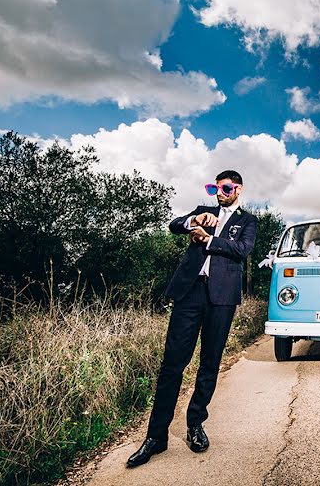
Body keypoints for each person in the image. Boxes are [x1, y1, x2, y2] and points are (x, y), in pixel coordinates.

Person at [127, 170, 258, 468]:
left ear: (238, 189)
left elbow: (242, 250)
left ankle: (195, 424)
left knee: (209, 363)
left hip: (222, 299)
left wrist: (209, 239)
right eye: (215, 187)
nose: (219, 193)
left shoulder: (248, 221)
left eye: (225, 188)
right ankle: (156, 437)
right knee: (172, 364)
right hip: (189, 294)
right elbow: (174, 225)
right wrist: (194, 222)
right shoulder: (203, 211)